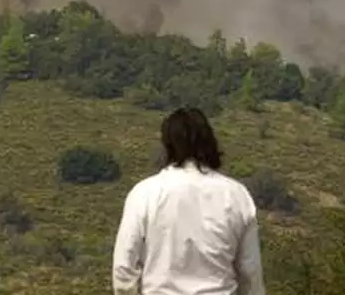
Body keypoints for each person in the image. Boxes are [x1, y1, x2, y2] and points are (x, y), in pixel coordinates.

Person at [112, 107, 265, 295]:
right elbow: (250, 274)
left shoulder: (145, 194)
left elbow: (123, 268)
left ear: (167, 144)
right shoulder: (236, 196)